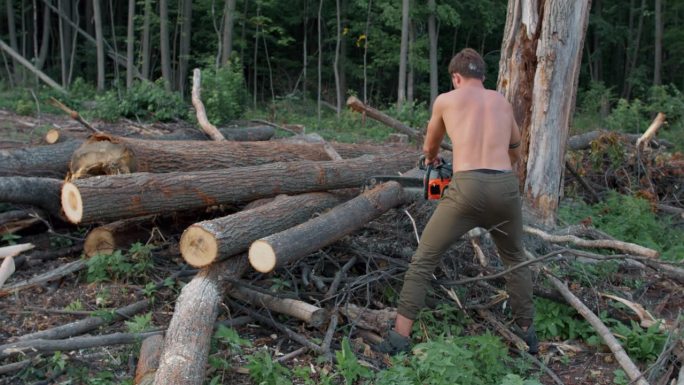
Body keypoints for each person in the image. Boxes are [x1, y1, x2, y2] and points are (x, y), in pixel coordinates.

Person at [374, 48, 538, 355]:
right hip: (504, 186)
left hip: (467, 189)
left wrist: (433, 158)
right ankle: (527, 335)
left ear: (456, 77)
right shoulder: (501, 102)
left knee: (424, 259)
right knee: (516, 260)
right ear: (484, 77)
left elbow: (430, 145)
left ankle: (399, 339)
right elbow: (515, 150)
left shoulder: (447, 100)